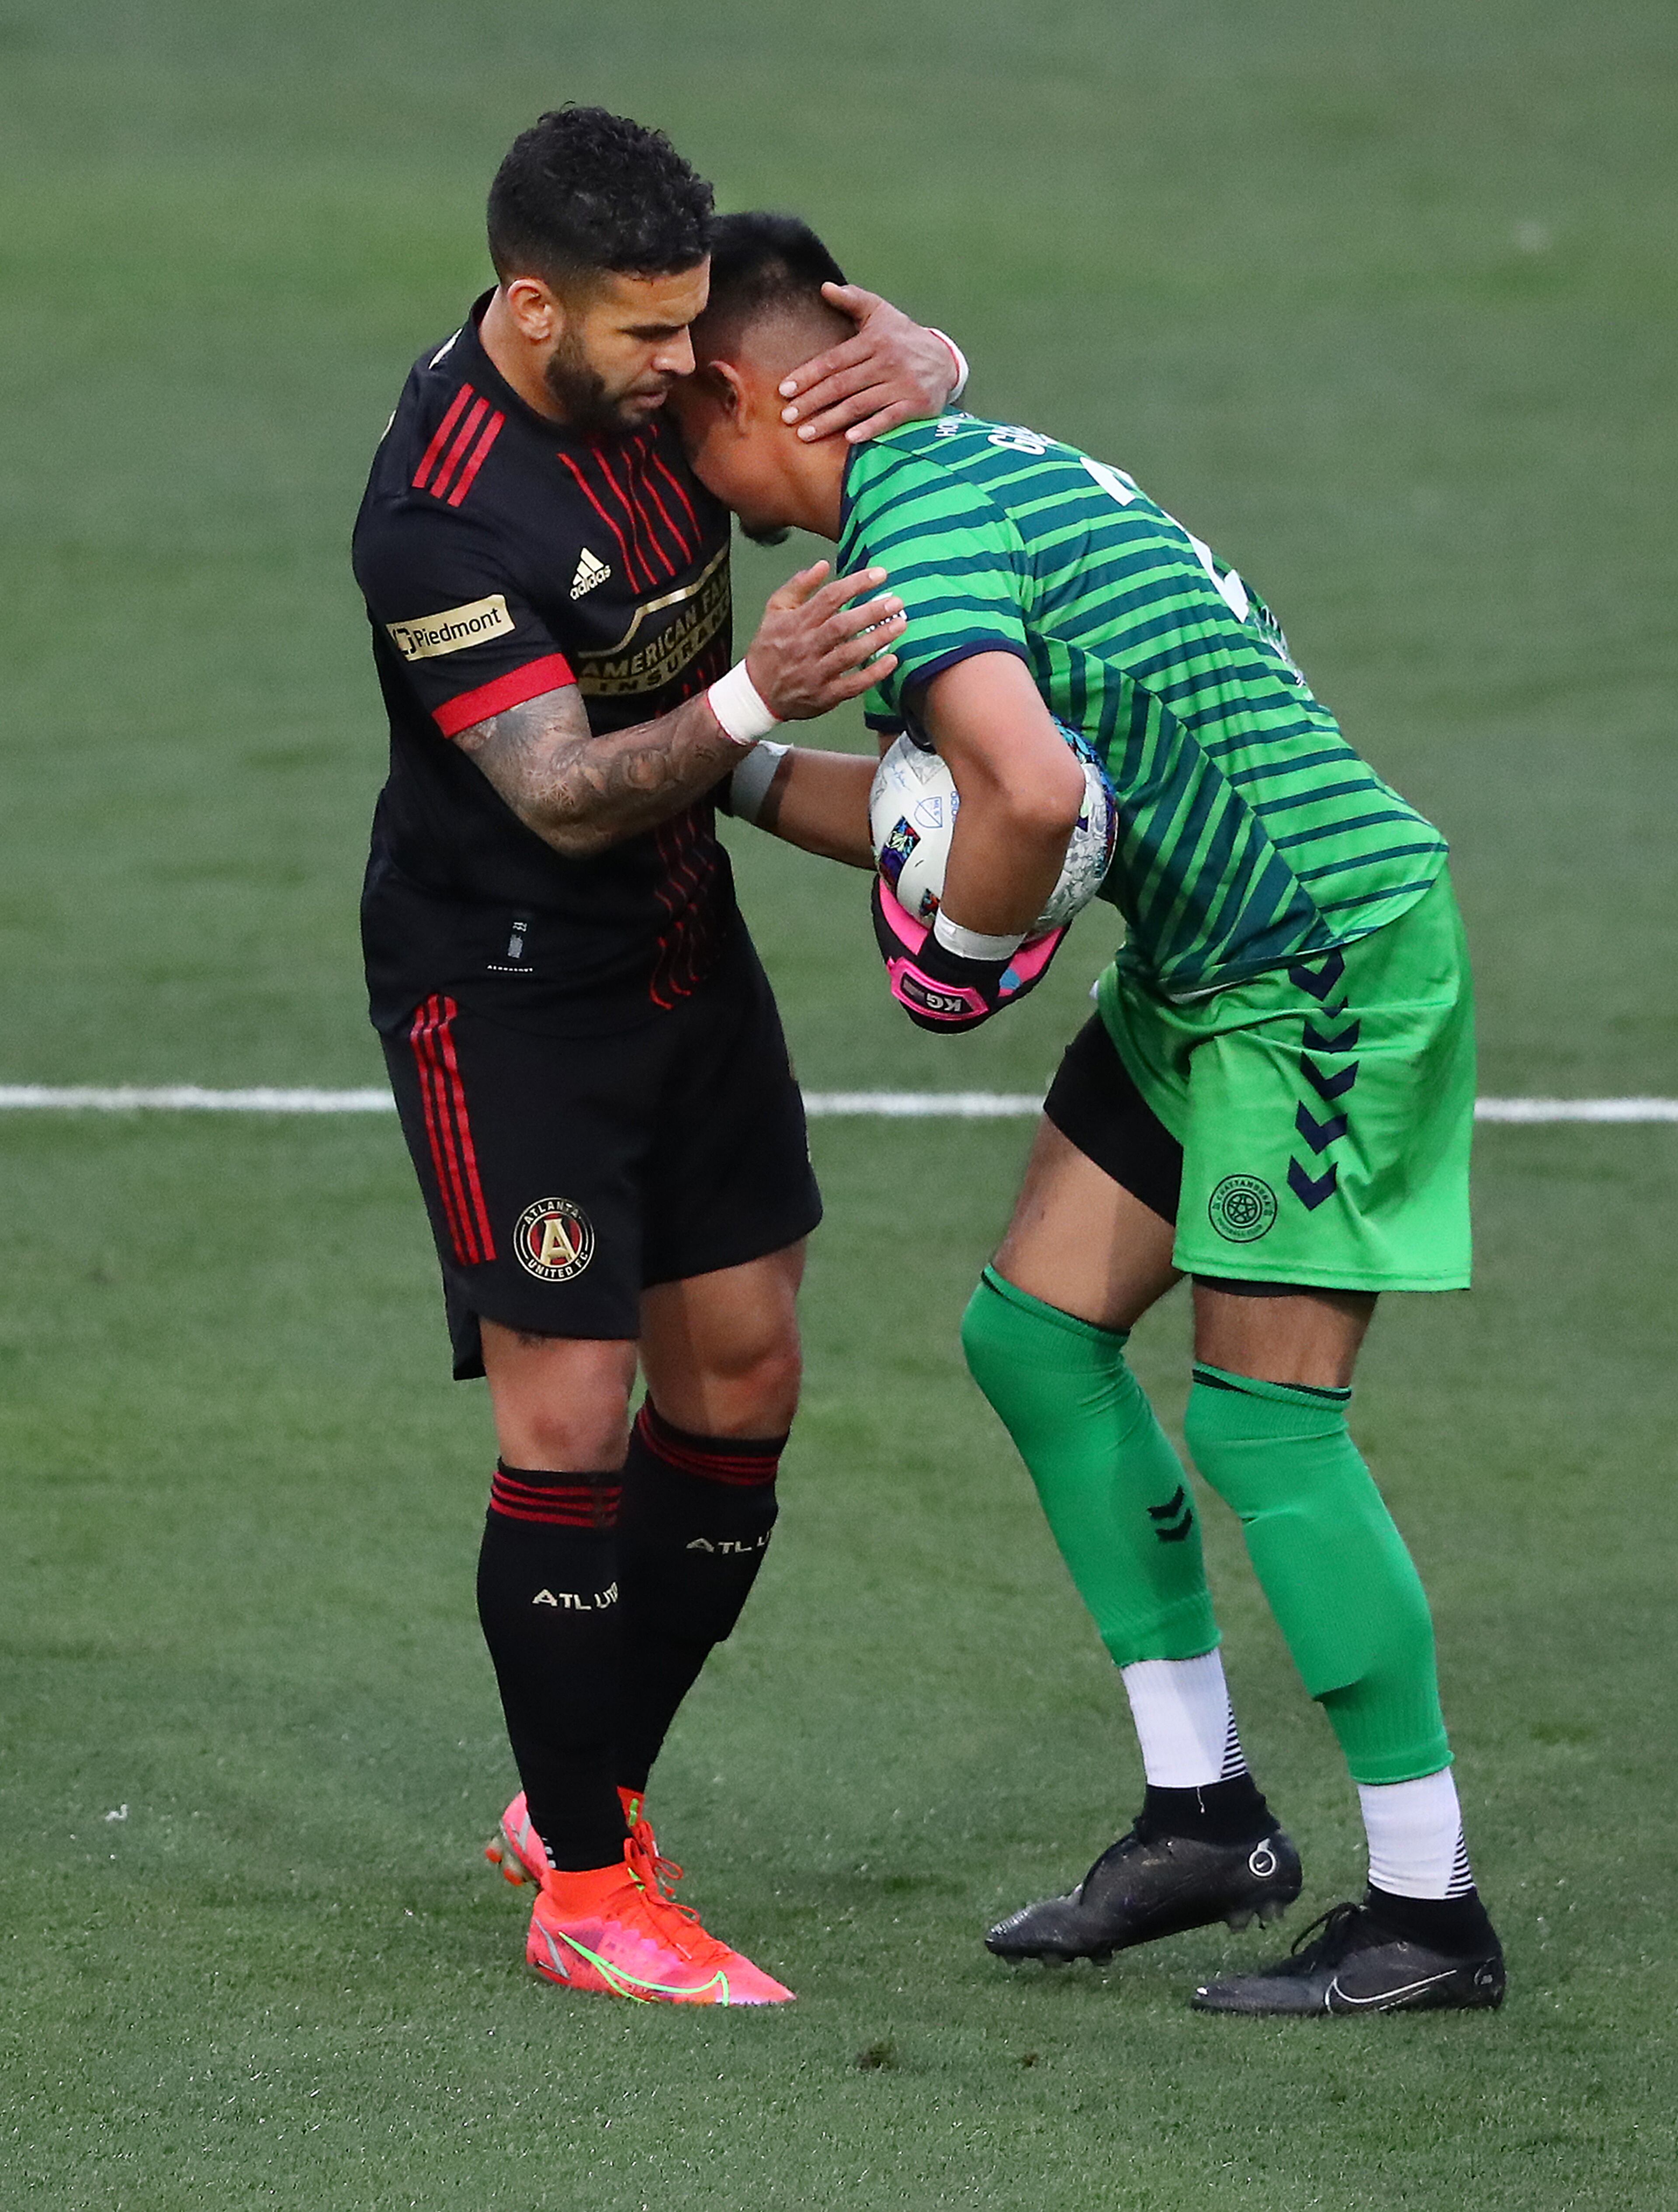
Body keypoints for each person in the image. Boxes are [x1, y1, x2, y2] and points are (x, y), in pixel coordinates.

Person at [668, 211, 1506, 2018]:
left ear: (744, 389)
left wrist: (957, 958)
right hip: (1215, 964)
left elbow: (1027, 795)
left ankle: (1429, 1912)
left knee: (1270, 1431)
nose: (693, 480)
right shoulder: (970, 455)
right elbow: (954, 791)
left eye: (685, 430)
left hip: (1321, 963)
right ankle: (1204, 1815)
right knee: (1036, 1334)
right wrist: (711, 772)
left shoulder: (913, 530)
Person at [350, 110, 964, 2006]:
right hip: (508, 989)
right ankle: (593, 1895)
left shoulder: (668, 384)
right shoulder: (440, 508)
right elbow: (553, 792)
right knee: (566, 1422)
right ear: (534, 308)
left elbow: (814, 391)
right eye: (643, 336)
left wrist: (936, 366)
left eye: (695, 325)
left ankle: (580, 1794)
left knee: (745, 1384)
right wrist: (757, 695)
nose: (685, 366)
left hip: (685, 943)